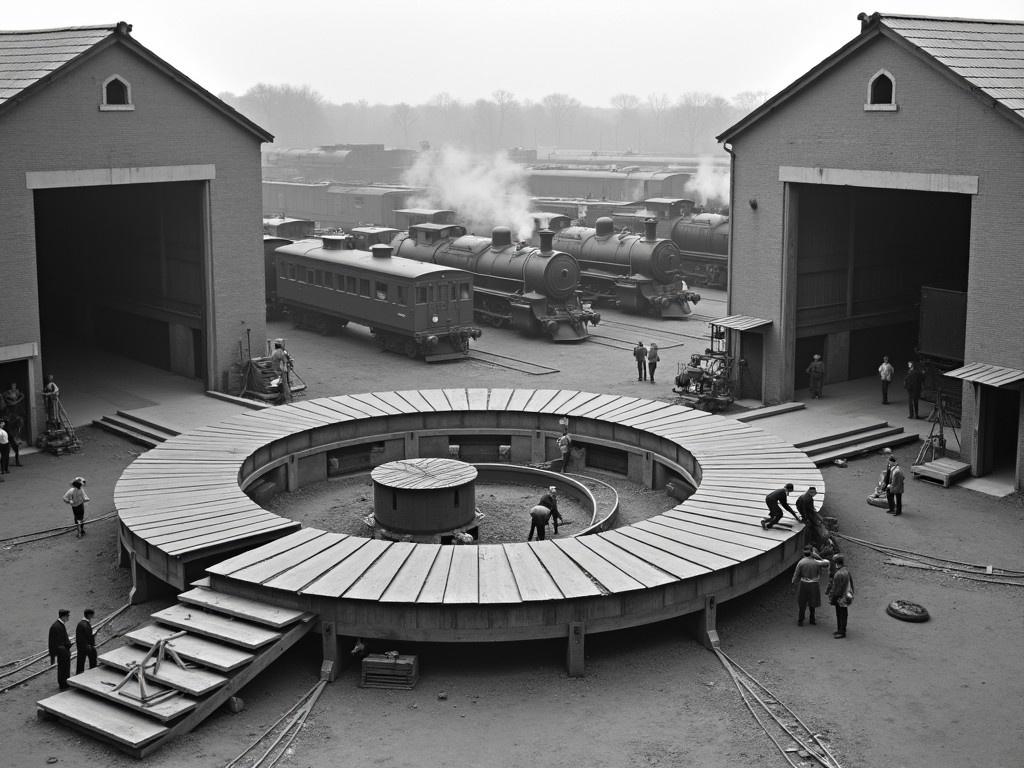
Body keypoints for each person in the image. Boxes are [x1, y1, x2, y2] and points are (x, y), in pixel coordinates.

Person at [791, 545, 830, 626]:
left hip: (803, 584)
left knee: (802, 603)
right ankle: (812, 619)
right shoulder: (816, 562)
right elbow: (827, 563)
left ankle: (800, 620)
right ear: (812, 553)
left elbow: (796, 575)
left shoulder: (801, 562)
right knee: (813, 602)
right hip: (814, 585)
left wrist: (794, 583)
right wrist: (817, 556)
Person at [826, 554, 854, 638]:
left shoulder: (838, 574)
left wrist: (832, 598)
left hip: (840, 597)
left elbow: (836, 589)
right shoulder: (846, 571)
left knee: (840, 614)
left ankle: (841, 632)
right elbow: (851, 584)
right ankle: (841, 629)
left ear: (836, 563)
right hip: (847, 596)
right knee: (843, 613)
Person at [48, 609, 72, 690]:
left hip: (64, 651)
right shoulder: (56, 626)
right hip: (62, 652)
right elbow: (53, 643)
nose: (69, 618)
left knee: (65, 668)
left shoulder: (59, 625)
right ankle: (63, 684)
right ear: (64, 616)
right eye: (68, 616)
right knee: (63, 668)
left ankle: (65, 683)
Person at [75, 608, 97, 674]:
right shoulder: (86, 624)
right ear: (89, 615)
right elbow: (89, 636)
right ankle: (93, 672)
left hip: (80, 647)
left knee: (80, 663)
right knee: (93, 659)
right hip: (87, 646)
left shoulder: (80, 623)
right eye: (92, 615)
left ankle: (78, 675)